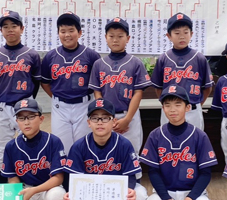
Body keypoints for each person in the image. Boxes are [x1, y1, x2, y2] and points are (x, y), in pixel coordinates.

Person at [139, 85, 219, 200]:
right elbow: (153, 172)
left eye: (178, 104)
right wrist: (166, 199)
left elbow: (205, 174)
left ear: (188, 107)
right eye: (167, 105)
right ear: (163, 108)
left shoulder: (199, 135)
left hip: (193, 193)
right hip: (165, 191)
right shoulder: (156, 135)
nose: (172, 109)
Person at [62, 98, 148, 200]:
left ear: (114, 122)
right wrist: (71, 194)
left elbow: (132, 175)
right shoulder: (79, 146)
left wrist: (130, 190)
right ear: (88, 123)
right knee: (68, 196)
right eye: (95, 118)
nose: (100, 122)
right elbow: (72, 177)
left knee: (139, 196)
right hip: (92, 192)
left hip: (117, 191)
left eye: (105, 118)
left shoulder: (124, 144)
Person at [0, 11, 41, 187]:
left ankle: (31, 192)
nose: (10, 29)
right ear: (1, 31)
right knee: (1, 151)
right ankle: (3, 195)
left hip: (25, 107)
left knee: (29, 148)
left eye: (14, 26)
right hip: (2, 106)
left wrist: (28, 101)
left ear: (22, 28)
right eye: (5, 26)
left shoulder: (32, 55)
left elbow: (36, 83)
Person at [1, 98, 68, 200]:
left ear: (41, 118)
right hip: (25, 190)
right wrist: (15, 198)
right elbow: (12, 177)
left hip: (48, 190)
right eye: (21, 118)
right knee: (6, 194)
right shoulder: (11, 146)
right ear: (16, 121)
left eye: (31, 117)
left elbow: (58, 178)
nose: (26, 122)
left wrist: (34, 191)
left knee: (59, 197)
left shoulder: (53, 141)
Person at [89, 17, 151, 154]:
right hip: (106, 117)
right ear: (106, 37)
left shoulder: (135, 63)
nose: (115, 40)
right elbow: (97, 93)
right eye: (111, 36)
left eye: (120, 36)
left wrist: (127, 119)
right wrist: (105, 116)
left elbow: (138, 93)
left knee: (131, 154)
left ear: (128, 38)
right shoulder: (99, 64)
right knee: (106, 155)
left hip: (129, 115)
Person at [40, 12, 101, 154]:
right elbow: (45, 83)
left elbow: (98, 83)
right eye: (63, 31)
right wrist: (57, 97)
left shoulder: (91, 55)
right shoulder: (51, 56)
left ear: (79, 33)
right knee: (62, 148)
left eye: (71, 30)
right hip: (60, 107)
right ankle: (65, 170)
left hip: (84, 105)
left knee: (84, 147)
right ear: (58, 33)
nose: (67, 35)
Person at [151, 12, 213, 130]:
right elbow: (158, 88)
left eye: (185, 32)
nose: (182, 36)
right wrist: (168, 105)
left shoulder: (199, 58)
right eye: (177, 33)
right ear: (169, 36)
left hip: (193, 110)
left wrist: (197, 105)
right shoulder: (163, 58)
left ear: (191, 34)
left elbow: (207, 88)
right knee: (168, 139)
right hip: (170, 111)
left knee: (194, 140)